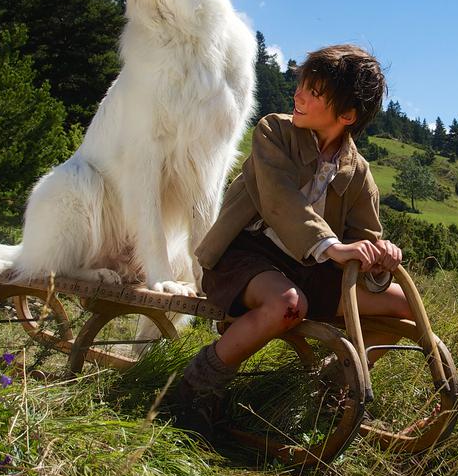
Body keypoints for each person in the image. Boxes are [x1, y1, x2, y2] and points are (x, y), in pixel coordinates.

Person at [173, 44, 413, 439]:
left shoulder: (359, 173)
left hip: (309, 267)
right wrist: (332, 246)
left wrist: (379, 260)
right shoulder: (274, 131)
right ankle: (197, 386)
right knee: (288, 304)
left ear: (347, 115)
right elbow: (280, 199)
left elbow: (365, 239)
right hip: (244, 256)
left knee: (400, 307)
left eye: (314, 93)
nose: (298, 95)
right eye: (302, 85)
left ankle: (333, 385)